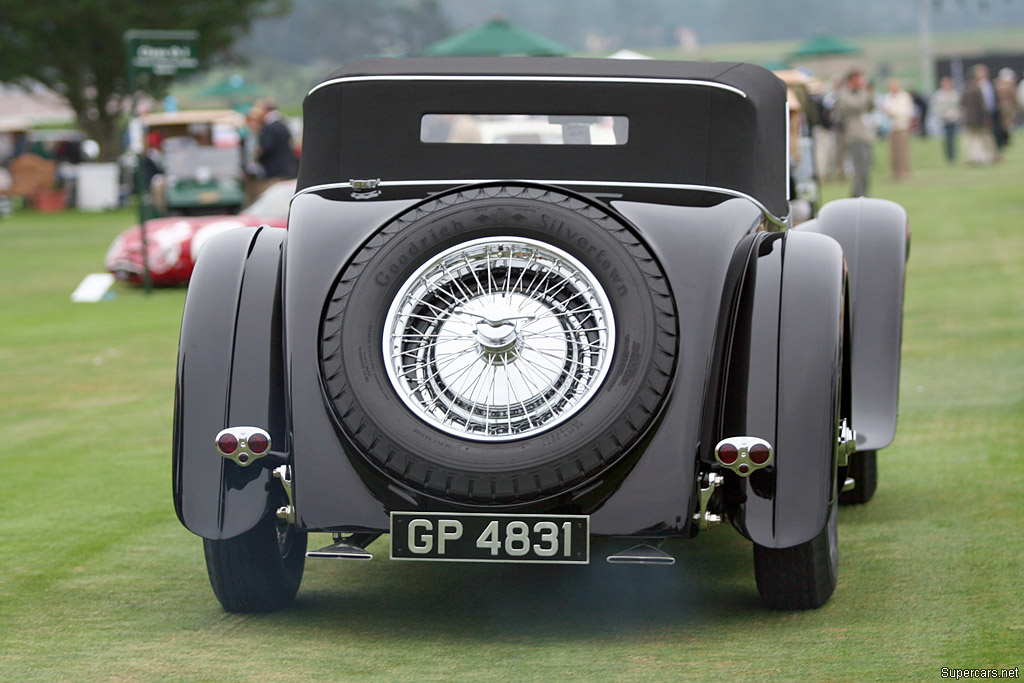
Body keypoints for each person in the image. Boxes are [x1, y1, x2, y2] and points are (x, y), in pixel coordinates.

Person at [836, 69, 875, 198]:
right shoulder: (844, 93)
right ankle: (858, 196)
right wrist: (864, 90)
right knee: (859, 169)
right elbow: (857, 105)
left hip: (866, 134)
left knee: (866, 169)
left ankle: (862, 194)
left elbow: (870, 106)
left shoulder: (860, 93)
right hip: (854, 135)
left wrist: (869, 91)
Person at [961, 64, 997, 165]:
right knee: (985, 138)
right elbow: (981, 106)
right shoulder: (977, 89)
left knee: (969, 139)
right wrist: (985, 118)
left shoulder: (966, 88)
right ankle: (990, 156)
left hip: (968, 119)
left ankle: (970, 158)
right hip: (978, 119)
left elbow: (962, 103)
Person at [256, 98, 298, 182]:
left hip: (274, 171)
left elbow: (266, 148)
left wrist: (258, 157)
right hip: (286, 168)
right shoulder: (284, 124)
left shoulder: (270, 127)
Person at [882, 78, 914, 180]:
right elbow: (885, 109)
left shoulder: (904, 96)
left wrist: (892, 112)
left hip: (902, 126)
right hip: (891, 127)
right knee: (893, 151)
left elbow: (905, 111)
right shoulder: (888, 97)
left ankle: (904, 171)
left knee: (902, 150)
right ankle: (895, 171)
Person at [931, 76, 961, 163]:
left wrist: (955, 114)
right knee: (946, 138)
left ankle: (953, 156)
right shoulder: (939, 95)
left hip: (954, 119)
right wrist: (944, 114)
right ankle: (948, 157)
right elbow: (936, 107)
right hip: (943, 119)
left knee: (953, 138)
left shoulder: (955, 93)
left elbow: (958, 106)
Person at [994, 68, 1018, 148]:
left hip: (999, 107)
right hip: (1007, 108)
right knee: (1007, 125)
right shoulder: (1008, 86)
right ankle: (1005, 140)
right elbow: (1013, 98)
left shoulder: (997, 84)